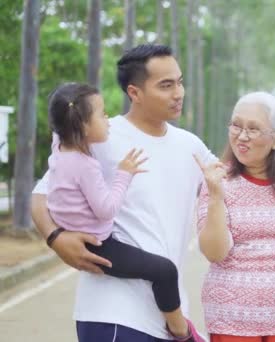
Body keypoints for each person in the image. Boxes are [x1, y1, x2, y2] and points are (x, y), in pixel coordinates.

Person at [31, 44, 213, 342]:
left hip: (169, 318)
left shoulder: (190, 145)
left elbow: (232, 176)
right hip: (113, 315)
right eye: (166, 86)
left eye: (180, 82)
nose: (178, 93)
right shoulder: (99, 136)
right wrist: (56, 238)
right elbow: (41, 195)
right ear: (135, 92)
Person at [195, 91, 275, 342]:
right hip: (232, 318)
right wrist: (215, 195)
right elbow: (214, 252)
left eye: (254, 129)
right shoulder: (217, 179)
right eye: (236, 125)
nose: (242, 136)